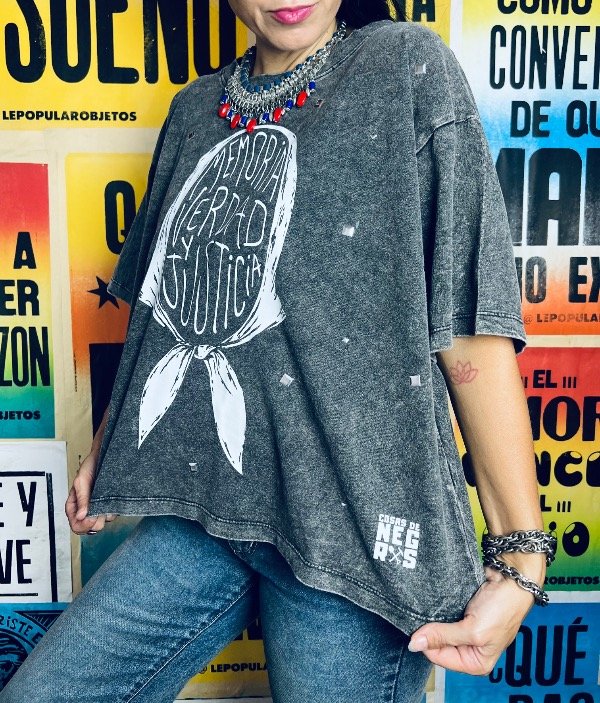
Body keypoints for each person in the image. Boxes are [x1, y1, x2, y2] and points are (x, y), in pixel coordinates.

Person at [0, 2, 556, 702]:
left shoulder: (405, 68)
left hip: (352, 530)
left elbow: (471, 325)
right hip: (208, 509)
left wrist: (519, 558)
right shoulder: (195, 110)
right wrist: (111, 447)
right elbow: (158, 305)